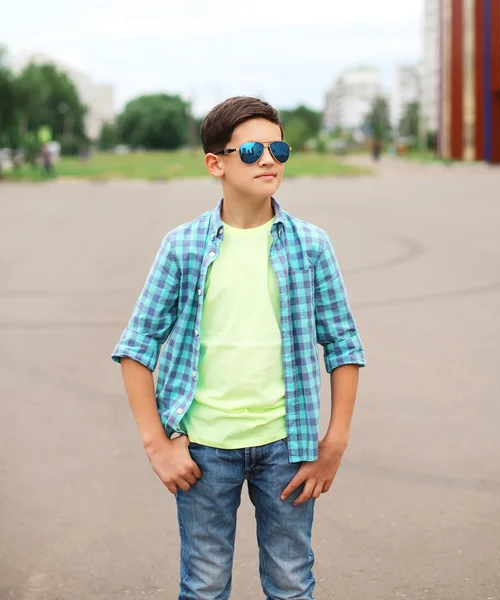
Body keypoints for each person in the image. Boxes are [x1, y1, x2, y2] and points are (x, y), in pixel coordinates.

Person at [111, 96, 366, 600]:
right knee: (203, 586)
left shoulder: (311, 246)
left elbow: (342, 344)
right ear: (216, 163)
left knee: (292, 583)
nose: (268, 160)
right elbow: (137, 346)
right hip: (203, 450)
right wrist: (157, 444)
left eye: (279, 149)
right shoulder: (182, 246)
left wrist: (334, 441)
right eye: (251, 150)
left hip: (288, 449)